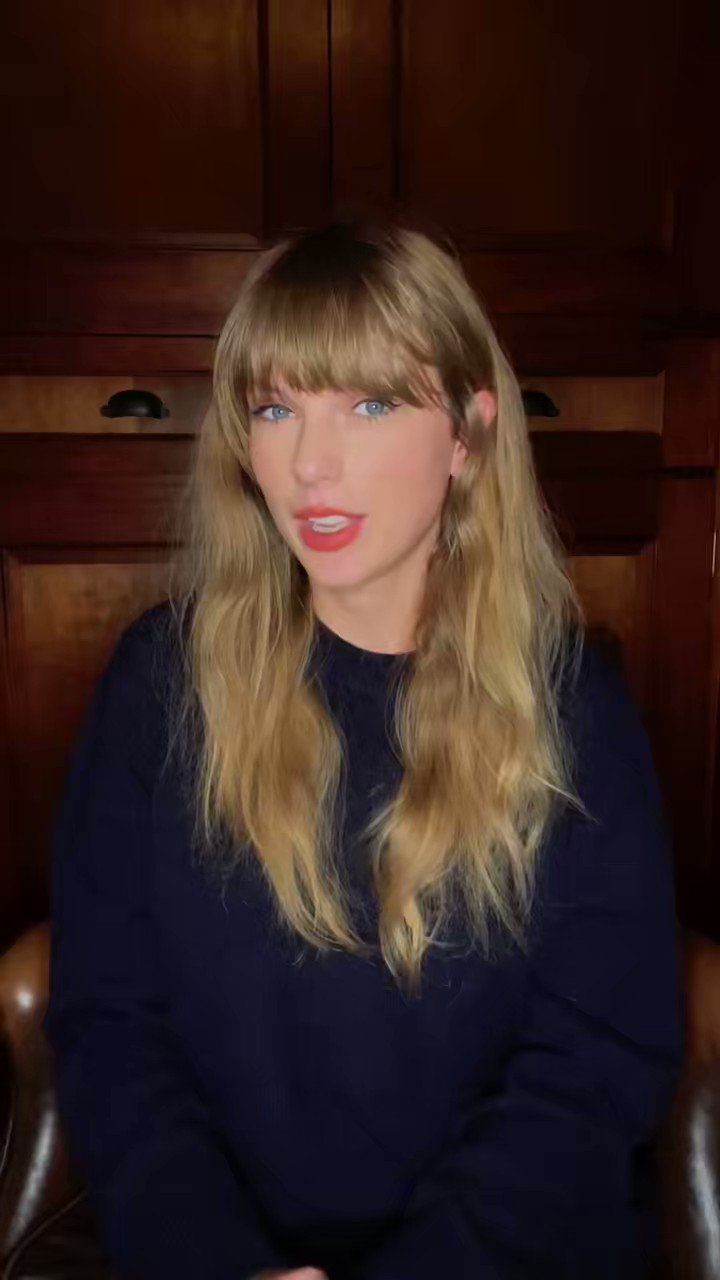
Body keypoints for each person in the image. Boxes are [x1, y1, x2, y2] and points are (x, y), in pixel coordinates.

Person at [42, 219, 683, 1280]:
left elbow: (592, 1064)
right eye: (276, 407)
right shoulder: (157, 685)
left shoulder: (577, 708)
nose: (310, 463)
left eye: (372, 403)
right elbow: (112, 1022)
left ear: (470, 433)